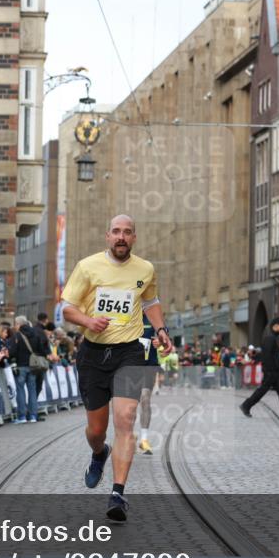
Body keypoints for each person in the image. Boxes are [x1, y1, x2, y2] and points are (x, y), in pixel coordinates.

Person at [59, 214, 173, 523]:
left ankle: (118, 493)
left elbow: (150, 302)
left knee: (126, 418)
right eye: (116, 232)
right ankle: (99, 453)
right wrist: (87, 321)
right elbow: (66, 307)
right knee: (97, 430)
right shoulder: (87, 267)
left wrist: (161, 330)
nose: (121, 237)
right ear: (107, 236)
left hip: (130, 352)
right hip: (94, 354)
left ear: (134, 238)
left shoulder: (145, 269)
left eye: (127, 232)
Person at [239, 318, 279, 418]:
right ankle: (246, 405)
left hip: (276, 370)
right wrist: (268, 370)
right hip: (271, 371)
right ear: (275, 326)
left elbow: (274, 355)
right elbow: (266, 355)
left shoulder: (275, 338)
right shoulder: (270, 338)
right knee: (262, 390)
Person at [12, 315, 45, 423]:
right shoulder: (36, 334)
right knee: (32, 391)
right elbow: (41, 350)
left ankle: (22, 416)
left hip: (21, 365)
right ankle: (33, 416)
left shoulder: (17, 335)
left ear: (19, 324)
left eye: (15, 324)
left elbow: (13, 351)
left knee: (20, 390)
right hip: (33, 366)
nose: (14, 326)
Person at [135, 314, 161, 455]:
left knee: (145, 399)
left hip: (149, 365)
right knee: (130, 404)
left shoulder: (152, 314)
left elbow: (163, 332)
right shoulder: (127, 311)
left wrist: (160, 341)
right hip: (130, 365)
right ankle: (129, 435)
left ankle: (144, 439)